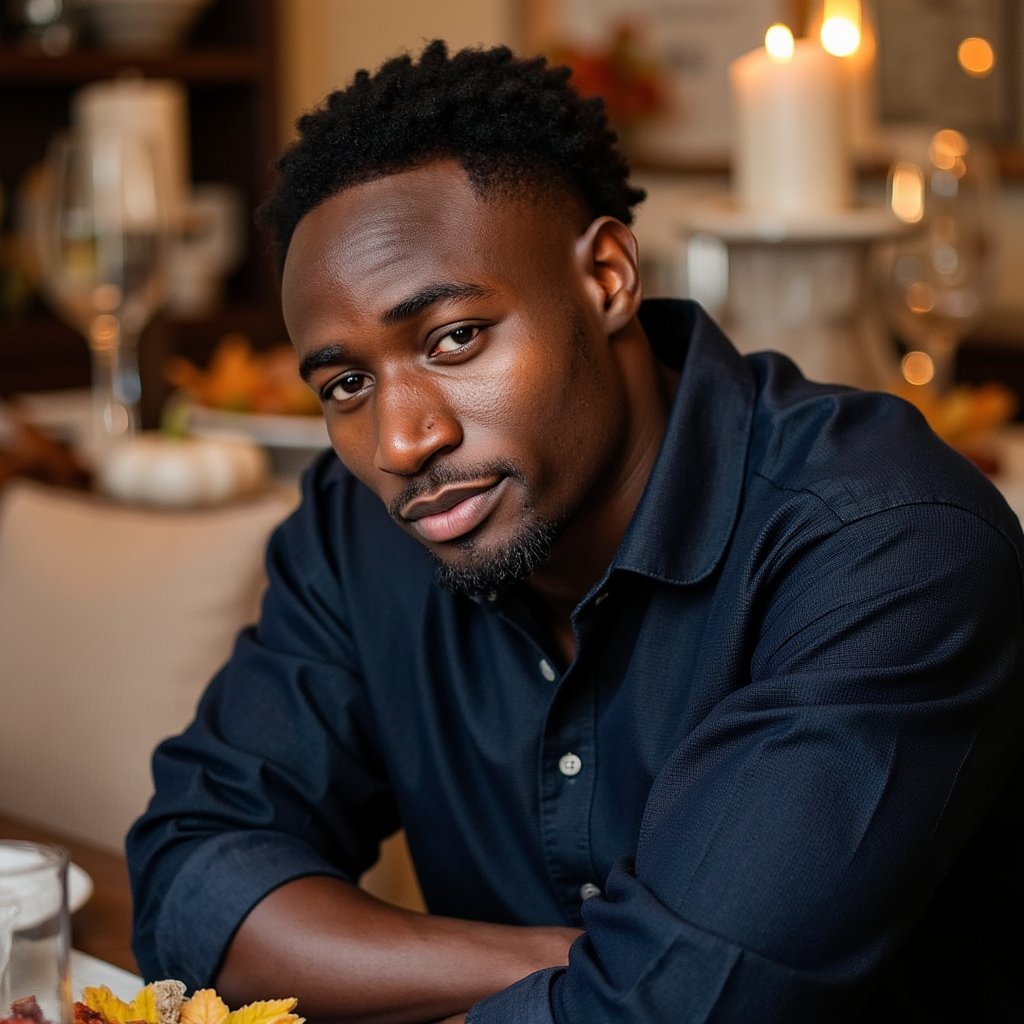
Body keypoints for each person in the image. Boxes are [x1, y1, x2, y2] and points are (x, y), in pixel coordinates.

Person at [127, 40, 1024, 1024]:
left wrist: (635, 979)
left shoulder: (887, 546)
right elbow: (194, 880)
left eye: (454, 337)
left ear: (606, 277)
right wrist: (595, 960)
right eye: (347, 383)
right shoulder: (362, 532)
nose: (400, 439)